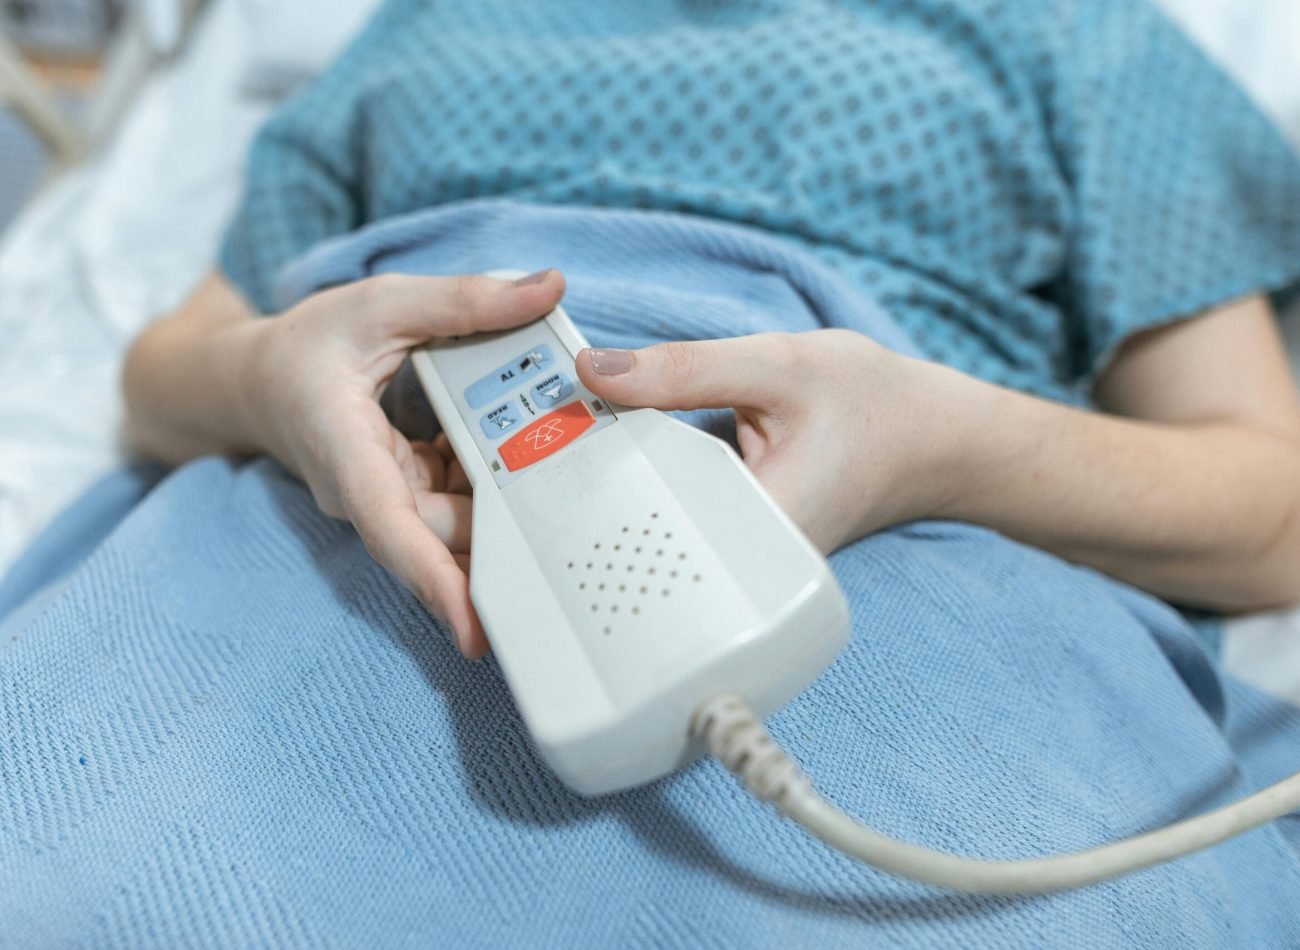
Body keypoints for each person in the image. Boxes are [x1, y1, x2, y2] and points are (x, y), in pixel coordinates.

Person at [5, 0, 1300, 944]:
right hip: (352, 501)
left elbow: (1272, 512)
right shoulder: (423, 28)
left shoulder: (1079, 38)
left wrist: (947, 445)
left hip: (904, 530)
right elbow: (165, 366)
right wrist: (267, 380)